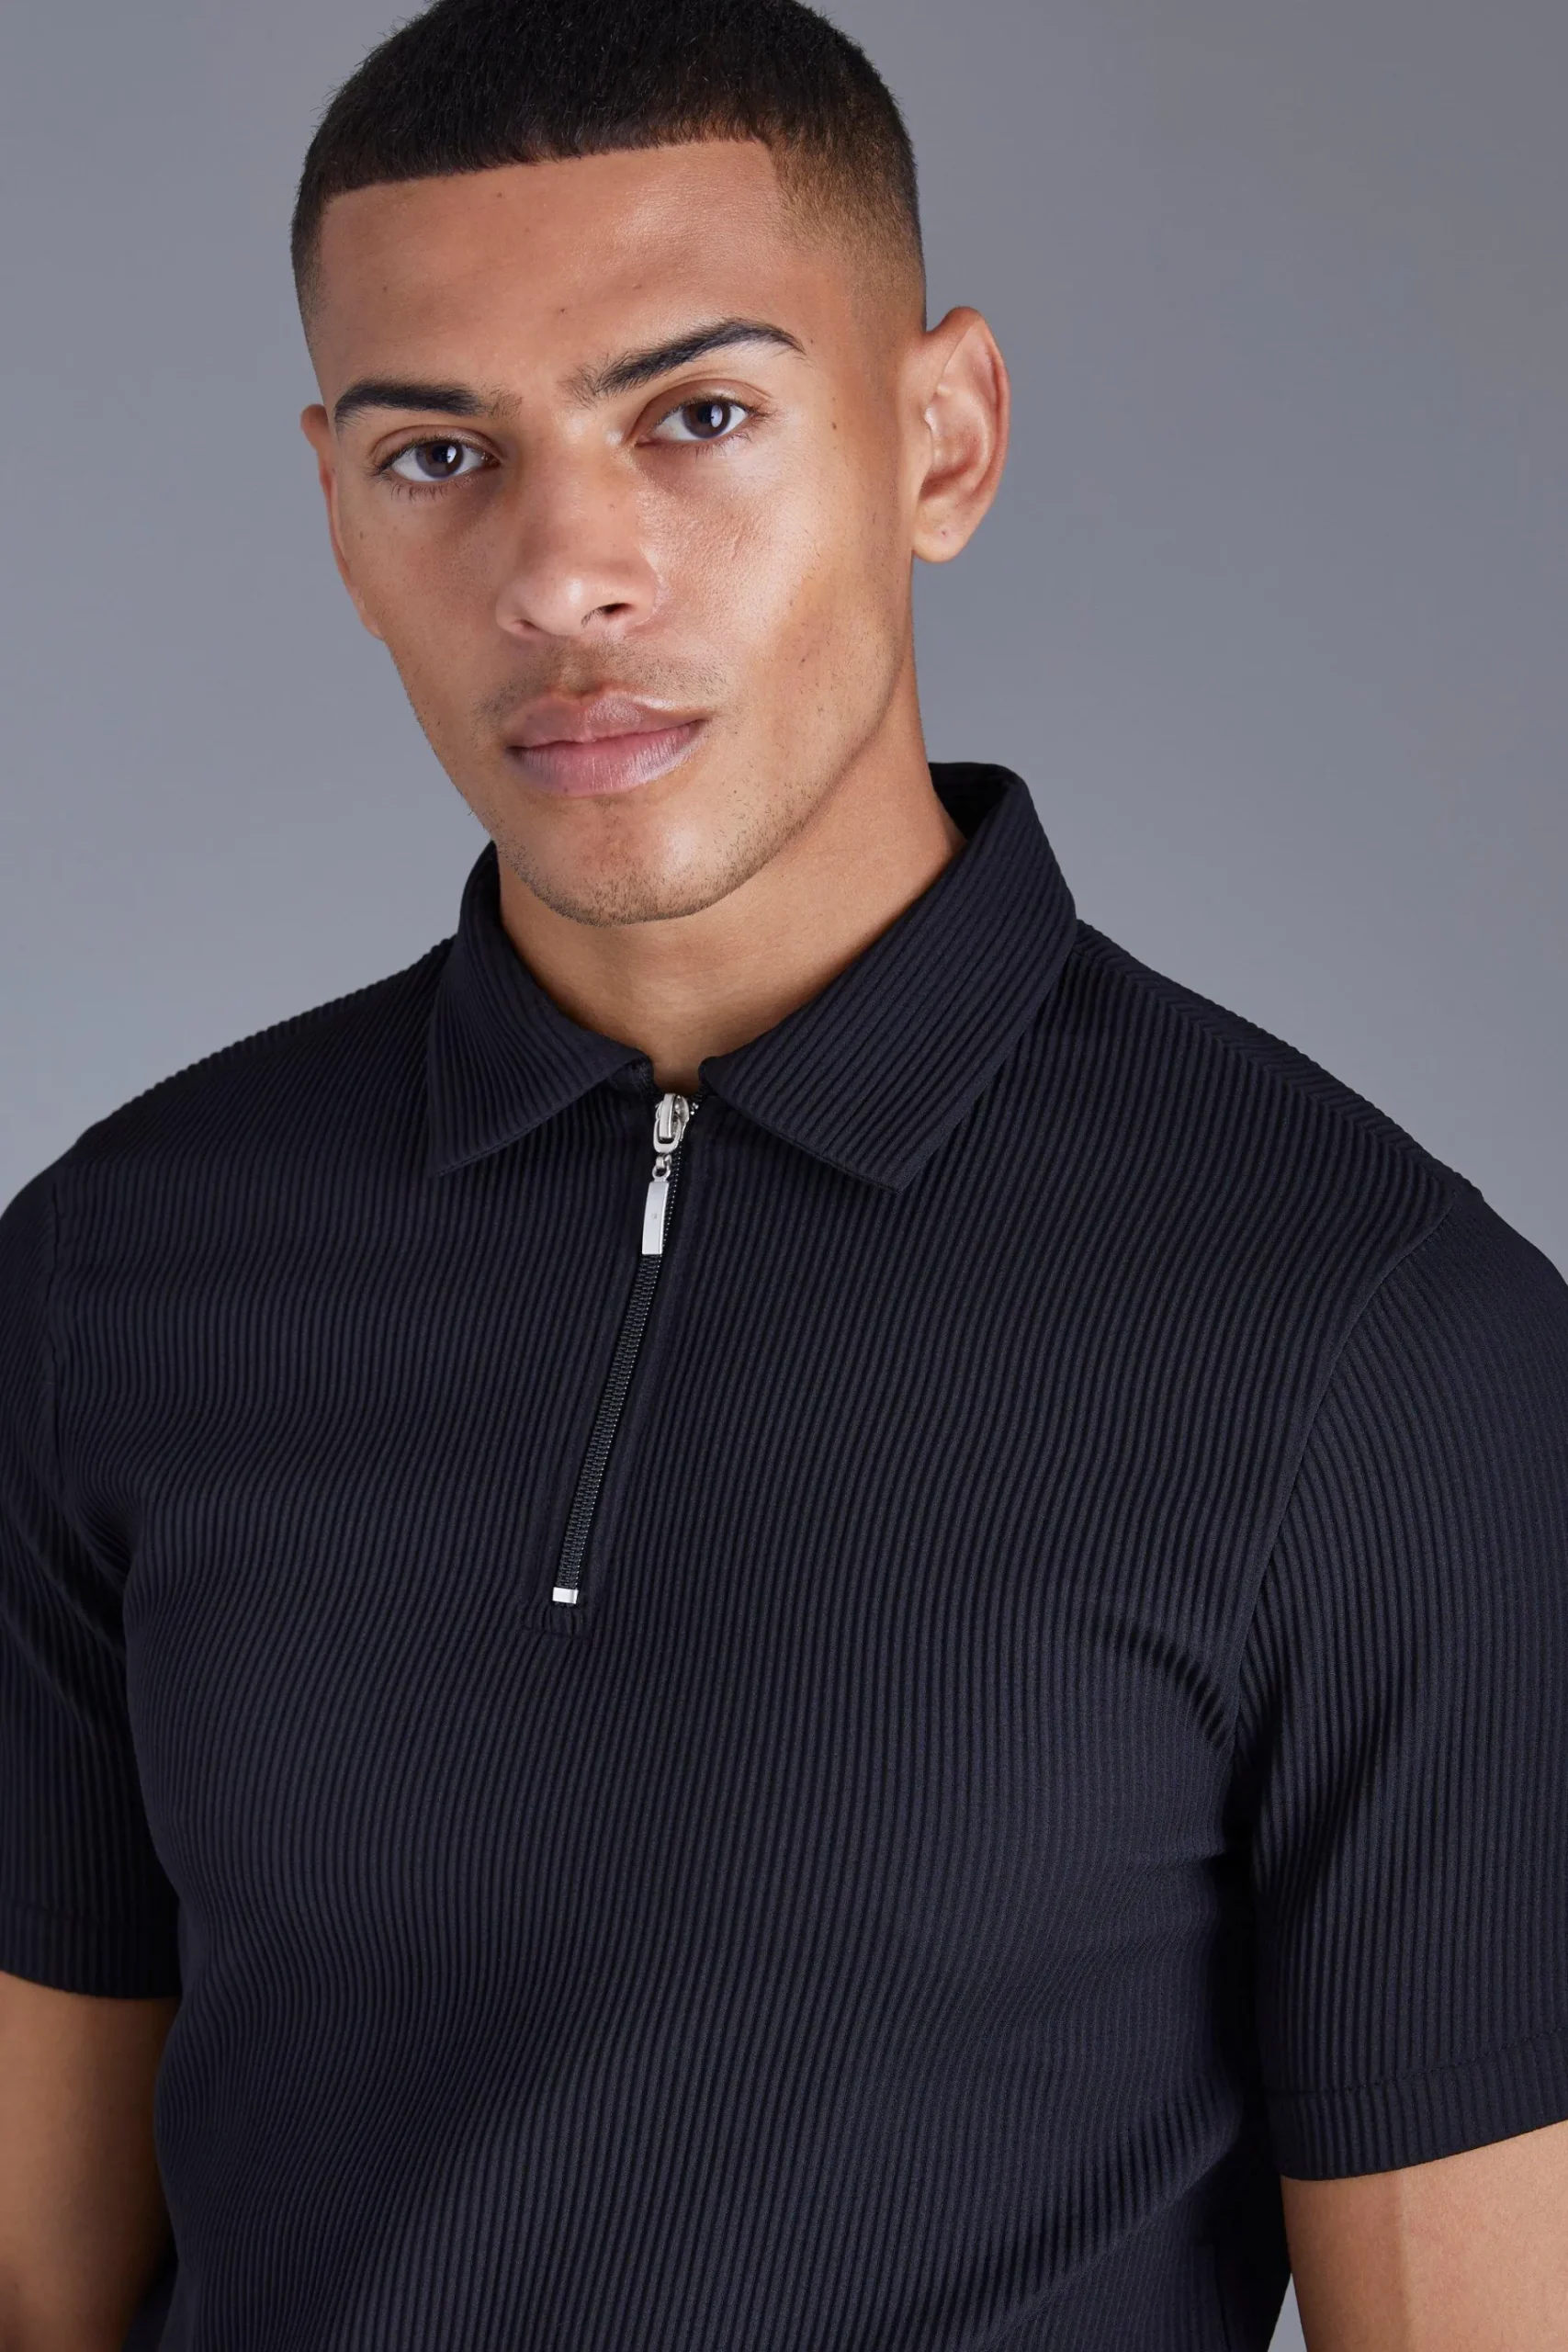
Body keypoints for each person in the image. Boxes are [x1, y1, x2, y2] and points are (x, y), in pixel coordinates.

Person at [1, 0, 1564, 2344]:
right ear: (335, 507)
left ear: (943, 437)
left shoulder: (1378, 1341)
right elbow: (37, 2274)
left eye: (698, 416)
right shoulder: (113, 1275)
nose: (565, 573)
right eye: (442, 454)